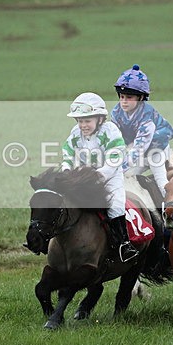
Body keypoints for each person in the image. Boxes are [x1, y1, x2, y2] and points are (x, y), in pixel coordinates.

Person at [61, 92, 139, 262]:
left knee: (115, 206)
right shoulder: (75, 133)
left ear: (100, 119)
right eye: (80, 121)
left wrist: (97, 175)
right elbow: (67, 152)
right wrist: (66, 169)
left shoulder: (111, 131)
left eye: (87, 121)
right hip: (83, 177)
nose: (83, 125)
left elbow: (114, 159)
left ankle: (123, 245)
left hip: (110, 177)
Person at [111, 64, 173, 196]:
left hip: (156, 151)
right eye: (122, 96)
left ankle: (169, 211)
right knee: (126, 176)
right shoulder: (116, 112)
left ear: (140, 98)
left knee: (161, 182)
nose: (124, 101)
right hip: (137, 151)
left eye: (129, 97)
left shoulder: (146, 116)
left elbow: (140, 147)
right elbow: (115, 139)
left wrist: (120, 166)